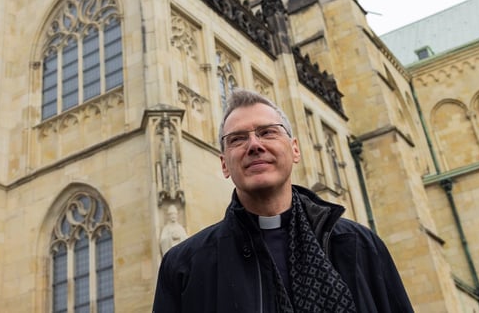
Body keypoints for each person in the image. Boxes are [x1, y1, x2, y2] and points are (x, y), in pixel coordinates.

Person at [153, 89, 413, 312]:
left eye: (267, 133)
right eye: (237, 139)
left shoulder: (359, 246)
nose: (254, 145)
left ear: (295, 149)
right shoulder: (184, 266)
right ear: (224, 164)